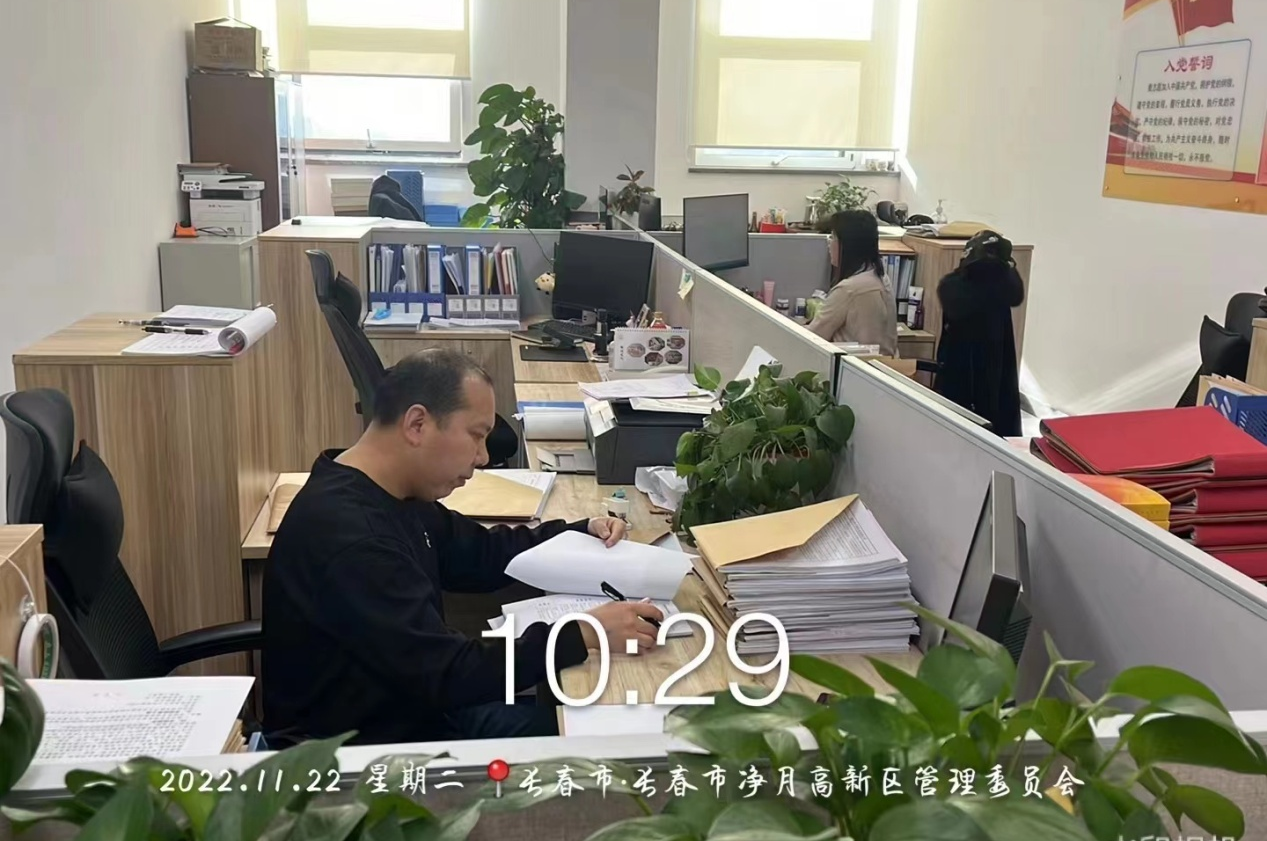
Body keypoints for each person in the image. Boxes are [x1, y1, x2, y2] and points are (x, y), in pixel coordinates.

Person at [261, 348, 662, 745]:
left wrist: (576, 533)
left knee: (601, 723)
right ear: (417, 424)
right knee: (614, 739)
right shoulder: (356, 539)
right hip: (371, 753)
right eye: (476, 435)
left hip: (416, 709)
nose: (483, 457)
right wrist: (584, 632)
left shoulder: (390, 491)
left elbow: (477, 553)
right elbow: (447, 674)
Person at [933, 230, 1025, 437]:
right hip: (966, 373)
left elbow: (1016, 294)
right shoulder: (963, 288)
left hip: (990, 373)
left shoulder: (995, 286)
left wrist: (1002, 265)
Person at [806, 210, 898, 356]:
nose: (829, 244)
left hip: (853, 366)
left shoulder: (849, 289)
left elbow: (812, 337)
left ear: (848, 244)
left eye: (833, 237)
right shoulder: (880, 277)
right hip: (883, 365)